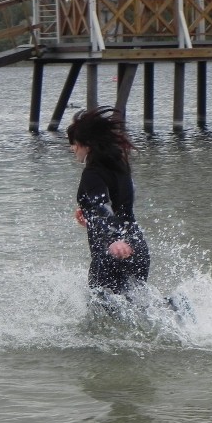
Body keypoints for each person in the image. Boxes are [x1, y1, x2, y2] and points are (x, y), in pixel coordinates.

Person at [67, 106, 150, 296]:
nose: (72, 149)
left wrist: (113, 239)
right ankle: (174, 306)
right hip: (137, 245)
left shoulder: (92, 173)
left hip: (111, 252)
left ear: (86, 144)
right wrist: (89, 215)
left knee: (98, 312)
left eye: (74, 143)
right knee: (138, 307)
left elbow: (101, 205)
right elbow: (121, 203)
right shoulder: (121, 165)